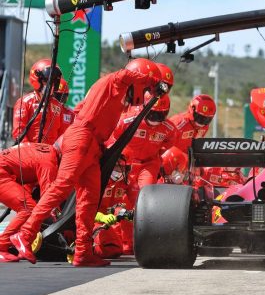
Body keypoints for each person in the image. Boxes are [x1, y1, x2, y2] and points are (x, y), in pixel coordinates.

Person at [9, 58, 163, 267]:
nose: (146, 93)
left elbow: (81, 109)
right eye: (145, 87)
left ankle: (83, 251)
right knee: (62, 186)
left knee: (89, 199)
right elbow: (123, 75)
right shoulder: (114, 81)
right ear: (137, 77)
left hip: (93, 145)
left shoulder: (118, 96)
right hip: (82, 137)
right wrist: (153, 81)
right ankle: (25, 234)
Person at [107, 92, 179, 254]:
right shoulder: (128, 120)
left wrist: (154, 155)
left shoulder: (169, 128)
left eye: (161, 114)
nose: (155, 118)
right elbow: (113, 139)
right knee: (122, 203)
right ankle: (126, 242)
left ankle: (145, 240)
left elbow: (167, 146)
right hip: (125, 165)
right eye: (152, 113)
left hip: (148, 165)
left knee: (144, 200)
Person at [0, 143, 60, 262]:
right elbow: (49, 198)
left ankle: (19, 244)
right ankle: (1, 246)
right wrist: (59, 220)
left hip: (5, 170)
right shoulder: (49, 163)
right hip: (3, 174)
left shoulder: (46, 149)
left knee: (29, 207)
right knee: (28, 209)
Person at [12, 59, 64, 144]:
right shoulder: (25, 102)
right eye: (46, 81)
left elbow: (62, 134)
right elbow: (19, 133)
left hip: (52, 153)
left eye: (54, 81)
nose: (51, 85)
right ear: (37, 79)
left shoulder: (57, 105)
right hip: (30, 153)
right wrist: (31, 152)